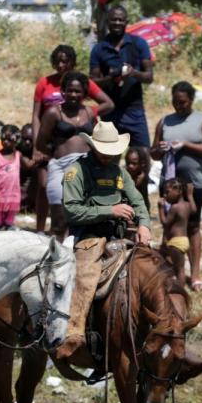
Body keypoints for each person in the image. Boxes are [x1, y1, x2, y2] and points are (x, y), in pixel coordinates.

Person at [54, 121, 150, 358]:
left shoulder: (120, 173)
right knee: (86, 275)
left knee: (152, 271)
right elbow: (72, 210)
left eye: (113, 152)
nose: (109, 157)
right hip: (89, 236)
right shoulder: (77, 172)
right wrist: (111, 211)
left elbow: (137, 201)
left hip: (119, 235)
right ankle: (74, 332)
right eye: (104, 152)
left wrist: (145, 225)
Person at [150, 81, 202, 291]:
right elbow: (153, 152)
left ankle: (195, 274)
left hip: (193, 183)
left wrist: (186, 145)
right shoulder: (165, 122)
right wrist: (160, 149)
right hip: (169, 183)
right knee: (169, 226)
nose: (178, 106)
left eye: (182, 102)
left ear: (191, 100)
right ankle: (170, 270)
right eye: (175, 102)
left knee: (193, 226)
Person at [36, 71, 99, 240]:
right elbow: (40, 143)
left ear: (84, 93)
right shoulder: (53, 113)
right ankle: (54, 262)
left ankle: (77, 261)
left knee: (84, 222)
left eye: (78, 91)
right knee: (59, 222)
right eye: (69, 90)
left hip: (85, 169)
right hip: (61, 167)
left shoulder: (90, 113)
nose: (73, 94)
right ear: (63, 91)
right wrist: (56, 153)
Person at [90, 5, 155, 148]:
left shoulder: (139, 44)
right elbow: (92, 83)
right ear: (107, 22)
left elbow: (149, 77)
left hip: (134, 109)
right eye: (113, 20)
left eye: (120, 20)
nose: (117, 23)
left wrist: (133, 73)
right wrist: (110, 78)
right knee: (107, 158)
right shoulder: (99, 49)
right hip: (110, 110)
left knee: (143, 154)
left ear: (126, 22)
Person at [32, 45, 113, 141]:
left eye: (64, 61)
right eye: (57, 62)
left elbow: (109, 104)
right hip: (50, 135)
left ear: (73, 62)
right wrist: (36, 143)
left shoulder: (81, 81)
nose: (60, 65)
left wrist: (88, 112)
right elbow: (36, 116)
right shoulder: (44, 83)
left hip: (77, 135)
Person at [158, 178, 195, 287]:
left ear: (178, 191)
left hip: (176, 243)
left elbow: (165, 223)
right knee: (180, 268)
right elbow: (194, 210)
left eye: (167, 192)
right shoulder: (187, 205)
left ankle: (179, 291)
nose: (164, 195)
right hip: (184, 240)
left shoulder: (174, 208)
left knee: (179, 270)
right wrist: (190, 195)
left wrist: (160, 208)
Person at [0, 124, 22, 231]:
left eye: (9, 139)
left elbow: (30, 164)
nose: (5, 141)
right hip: (0, 195)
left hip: (14, 195)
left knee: (9, 222)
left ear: (15, 140)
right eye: (3, 138)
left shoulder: (18, 155)